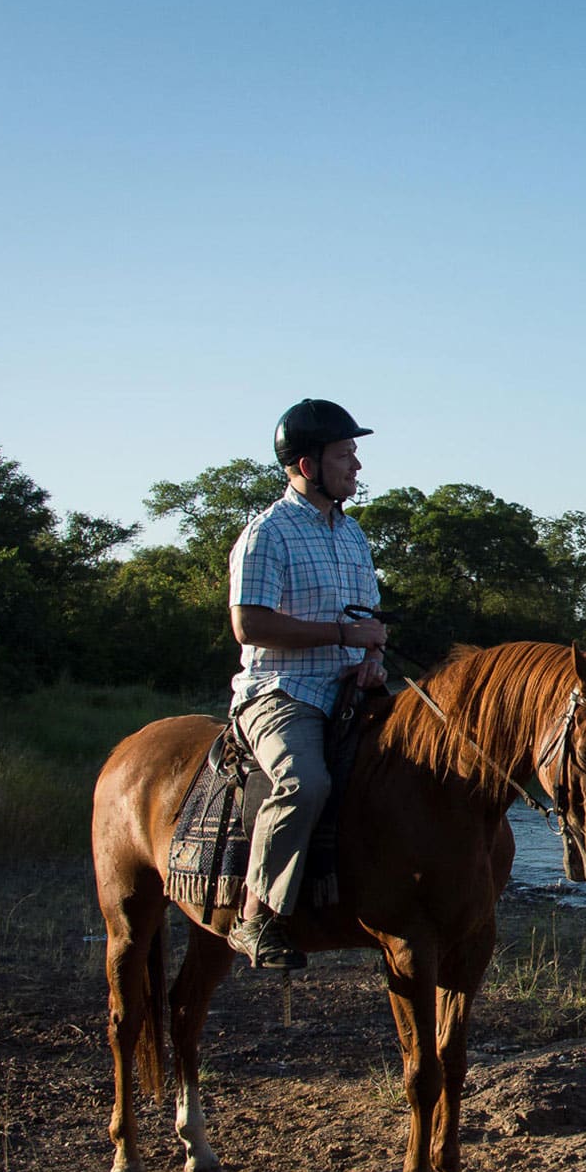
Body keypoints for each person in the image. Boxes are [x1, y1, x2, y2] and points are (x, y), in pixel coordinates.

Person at [224, 398, 389, 970]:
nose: (357, 467)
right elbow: (249, 623)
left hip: (353, 689)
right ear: (306, 464)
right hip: (283, 693)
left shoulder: (353, 536)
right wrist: (345, 634)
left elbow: (368, 624)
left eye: (354, 454)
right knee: (304, 783)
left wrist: (372, 655)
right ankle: (256, 917)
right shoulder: (265, 534)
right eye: (345, 455)